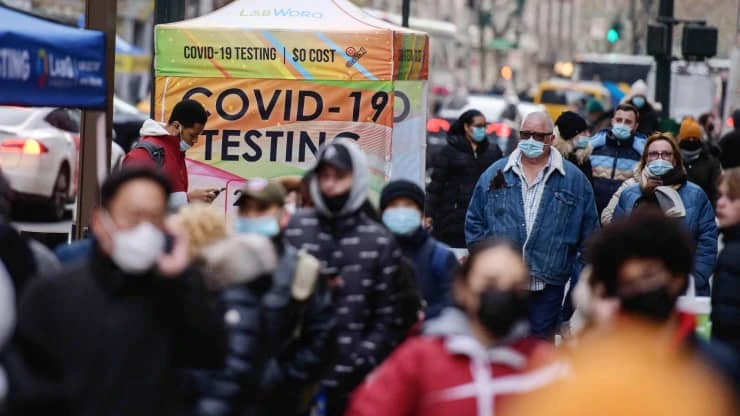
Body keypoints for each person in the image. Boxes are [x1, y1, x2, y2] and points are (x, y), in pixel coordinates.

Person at [4, 167, 227, 415]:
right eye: (133, 217)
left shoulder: (174, 293)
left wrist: (183, 279)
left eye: (155, 219)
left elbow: (210, 355)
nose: (144, 230)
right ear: (101, 222)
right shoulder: (52, 293)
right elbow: (26, 387)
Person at [345, 239, 567, 416]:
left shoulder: (545, 366)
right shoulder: (420, 359)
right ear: (462, 288)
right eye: (490, 283)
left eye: (516, 286)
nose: (503, 293)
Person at [283, 139, 405, 416]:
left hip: (356, 382)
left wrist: (362, 360)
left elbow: (388, 317)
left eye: (339, 176)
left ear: (357, 178)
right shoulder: (297, 229)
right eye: (324, 176)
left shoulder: (378, 240)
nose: (330, 185)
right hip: (298, 379)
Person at [465, 111, 599, 339]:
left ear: (551, 139)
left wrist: (575, 292)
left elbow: (589, 238)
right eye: (526, 134)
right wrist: (486, 266)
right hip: (502, 285)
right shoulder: (495, 174)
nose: (531, 141)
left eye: (538, 136)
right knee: (501, 344)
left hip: (548, 286)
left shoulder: (574, 181)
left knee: (538, 349)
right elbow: (474, 221)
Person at [585, 209, 740, 393]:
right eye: (628, 283)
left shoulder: (716, 369)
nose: (640, 288)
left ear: (677, 277)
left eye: (649, 275)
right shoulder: (596, 367)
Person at [233, 177, 335, 416]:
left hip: (281, 402)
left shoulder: (303, 270)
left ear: (283, 216)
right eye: (246, 210)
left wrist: (282, 377)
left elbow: (321, 338)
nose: (252, 217)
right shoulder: (219, 266)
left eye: (262, 209)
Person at [611, 133, 717, 296]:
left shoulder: (696, 195)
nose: (659, 158)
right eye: (653, 154)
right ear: (645, 159)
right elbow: (615, 239)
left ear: (675, 160)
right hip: (638, 289)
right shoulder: (630, 195)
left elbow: (707, 244)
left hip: (683, 289)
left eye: (666, 154)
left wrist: (693, 280)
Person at [380, 180, 458, 320]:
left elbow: (455, 302)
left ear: (421, 213)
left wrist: (423, 316)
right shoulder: (371, 254)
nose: (401, 212)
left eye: (408, 205)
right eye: (393, 205)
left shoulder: (440, 256)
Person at [123, 99, 219, 209]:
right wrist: (188, 199)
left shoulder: (175, 151)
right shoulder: (143, 154)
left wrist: (191, 199)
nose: (195, 140)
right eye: (192, 135)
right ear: (176, 126)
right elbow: (134, 200)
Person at [426, 109, 503, 248]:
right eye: (478, 126)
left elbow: (500, 184)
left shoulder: (493, 151)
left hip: (483, 219)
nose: (482, 130)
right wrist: (428, 213)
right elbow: (436, 186)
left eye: (484, 126)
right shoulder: (449, 152)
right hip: (452, 219)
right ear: (466, 127)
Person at [589, 104, 647, 214]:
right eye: (619, 120)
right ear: (612, 121)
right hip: (594, 212)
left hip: (624, 215)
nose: (622, 125)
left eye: (628, 122)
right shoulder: (593, 149)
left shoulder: (642, 154)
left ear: (636, 126)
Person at [712, 167, 740, 355]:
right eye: (720, 196)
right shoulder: (731, 246)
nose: (720, 203)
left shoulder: (733, 254)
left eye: (731, 197)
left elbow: (727, 323)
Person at [678, 118, 722, 208]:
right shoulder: (674, 159)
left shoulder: (710, 161)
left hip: (703, 208)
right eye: (687, 138)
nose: (691, 141)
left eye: (694, 138)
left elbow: (716, 190)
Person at [553, 111, 593, 182]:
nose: (588, 135)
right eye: (583, 132)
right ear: (570, 134)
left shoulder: (584, 159)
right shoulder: (554, 158)